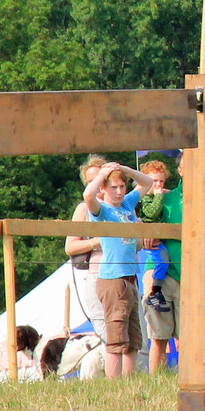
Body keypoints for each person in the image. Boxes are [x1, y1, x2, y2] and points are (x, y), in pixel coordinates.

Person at [81, 159, 154, 378]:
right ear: (104, 189)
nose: (120, 191)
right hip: (113, 279)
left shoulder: (128, 205)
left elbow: (147, 183)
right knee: (116, 338)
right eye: (114, 187)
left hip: (131, 278)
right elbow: (88, 196)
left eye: (122, 186)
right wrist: (103, 175)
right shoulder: (101, 209)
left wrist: (126, 171)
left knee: (133, 338)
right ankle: (115, 383)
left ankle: (128, 382)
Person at [132, 154, 181, 375]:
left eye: (161, 181)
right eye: (153, 181)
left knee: (187, 337)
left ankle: (187, 378)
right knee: (158, 336)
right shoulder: (142, 199)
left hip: (184, 272)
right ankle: (157, 380)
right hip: (155, 265)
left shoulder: (174, 198)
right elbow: (138, 222)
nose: (158, 185)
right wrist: (147, 236)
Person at [64, 156, 111, 340]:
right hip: (97, 275)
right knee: (106, 334)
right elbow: (70, 247)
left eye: (101, 179)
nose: (97, 186)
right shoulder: (84, 209)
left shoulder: (123, 205)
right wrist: (97, 241)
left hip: (125, 274)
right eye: (91, 182)